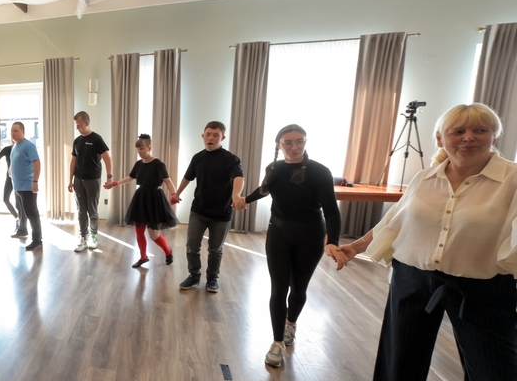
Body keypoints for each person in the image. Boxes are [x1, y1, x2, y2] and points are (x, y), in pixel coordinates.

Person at [335, 103, 517, 381]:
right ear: (441, 138)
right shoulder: (425, 177)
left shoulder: (512, 179)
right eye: (458, 131)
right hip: (414, 275)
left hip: (483, 288)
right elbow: (394, 222)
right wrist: (356, 247)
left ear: (494, 136)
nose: (468, 138)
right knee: (400, 354)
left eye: (479, 130)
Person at [241, 124, 344, 368]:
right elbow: (265, 189)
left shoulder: (320, 172)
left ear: (305, 143)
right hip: (278, 234)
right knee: (278, 289)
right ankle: (277, 342)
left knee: (298, 288)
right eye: (288, 142)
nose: (294, 147)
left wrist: (332, 241)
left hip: (310, 235)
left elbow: (331, 211)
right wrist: (245, 200)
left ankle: (291, 324)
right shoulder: (273, 167)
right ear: (279, 144)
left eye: (300, 141)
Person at [174, 121, 244, 293]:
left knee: (215, 249)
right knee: (192, 246)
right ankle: (194, 276)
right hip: (198, 210)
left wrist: (236, 195)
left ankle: (212, 278)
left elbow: (238, 177)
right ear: (203, 136)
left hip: (222, 213)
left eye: (215, 135)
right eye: (208, 134)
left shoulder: (231, 159)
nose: (211, 138)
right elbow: (188, 177)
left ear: (222, 138)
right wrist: (177, 193)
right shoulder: (198, 158)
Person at [106, 134, 176, 268]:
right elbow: (130, 177)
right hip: (141, 198)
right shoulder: (138, 164)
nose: (139, 151)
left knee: (154, 235)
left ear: (149, 148)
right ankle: (143, 257)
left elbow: (167, 180)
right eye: (138, 149)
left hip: (154, 200)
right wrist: (115, 183)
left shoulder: (158, 164)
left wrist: (174, 194)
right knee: (139, 231)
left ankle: (168, 252)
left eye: (142, 148)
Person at [68, 111, 113, 252]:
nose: (77, 128)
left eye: (79, 125)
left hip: (93, 180)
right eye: (76, 125)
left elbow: (107, 159)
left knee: (92, 210)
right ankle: (83, 237)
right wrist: (70, 180)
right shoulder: (77, 141)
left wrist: (109, 177)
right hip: (78, 180)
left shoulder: (96, 139)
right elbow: (73, 161)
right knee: (81, 210)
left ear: (87, 123)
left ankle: (93, 236)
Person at [9, 122, 43, 251]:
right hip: (18, 187)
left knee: (32, 213)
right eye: (12, 131)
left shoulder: (28, 145)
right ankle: (23, 230)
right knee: (23, 212)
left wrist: (35, 181)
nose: (13, 133)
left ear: (23, 132)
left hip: (27, 186)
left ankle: (37, 240)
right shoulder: (15, 146)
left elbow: (37, 162)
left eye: (16, 131)